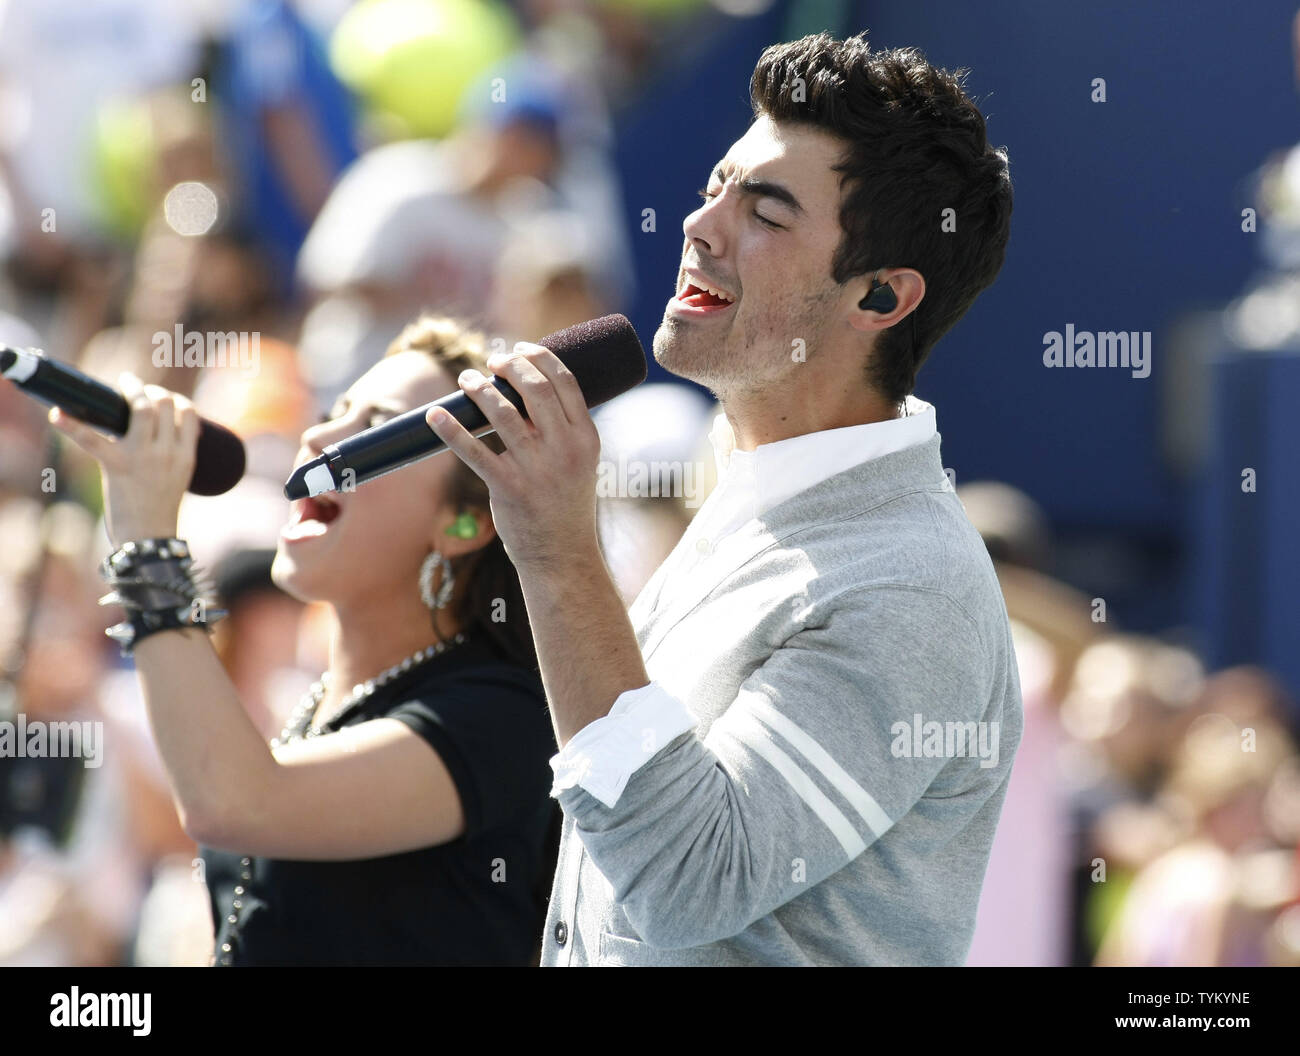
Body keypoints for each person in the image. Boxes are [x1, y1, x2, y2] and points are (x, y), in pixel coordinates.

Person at [426, 31, 1022, 966]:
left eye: (767, 213)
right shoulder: (759, 491)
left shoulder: (912, 587)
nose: (701, 227)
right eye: (716, 188)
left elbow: (687, 879)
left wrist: (557, 551)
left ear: (880, 297)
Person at [47, 315, 559, 966]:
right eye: (332, 411)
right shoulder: (315, 706)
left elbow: (231, 801)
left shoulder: (498, 717)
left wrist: (147, 543)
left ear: (463, 522)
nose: (319, 435)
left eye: (373, 426)